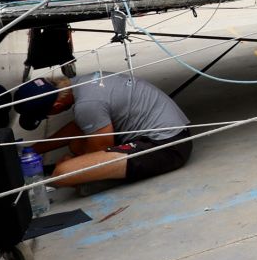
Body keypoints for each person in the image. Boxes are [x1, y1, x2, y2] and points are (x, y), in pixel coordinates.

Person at [11, 72, 194, 191]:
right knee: (76, 144)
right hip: (174, 132)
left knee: (62, 173)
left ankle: (103, 180)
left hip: (167, 147)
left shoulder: (87, 105)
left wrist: (72, 162)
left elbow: (99, 149)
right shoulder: (81, 83)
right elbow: (78, 127)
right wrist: (33, 150)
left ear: (57, 106)